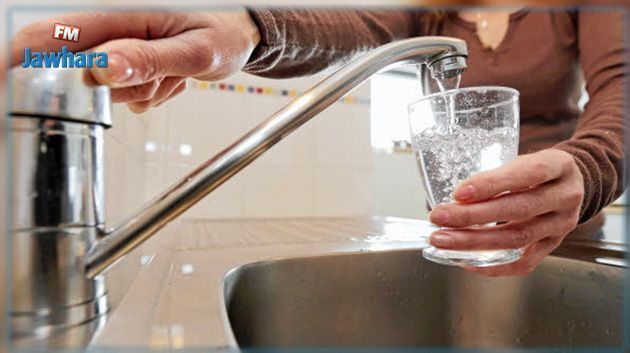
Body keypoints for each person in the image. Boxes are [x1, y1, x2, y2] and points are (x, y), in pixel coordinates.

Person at [10, 6, 625, 277]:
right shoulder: (431, 12)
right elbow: (350, 30)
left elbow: (621, 89)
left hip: (568, 237)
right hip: (463, 237)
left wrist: (588, 168)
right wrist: (245, 28)